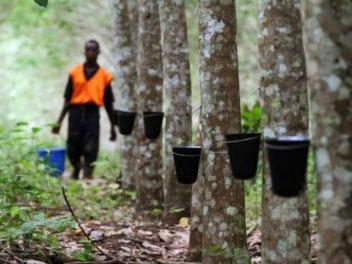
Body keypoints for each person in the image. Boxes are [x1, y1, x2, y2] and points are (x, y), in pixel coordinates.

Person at [52, 39, 116, 179]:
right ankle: (76, 168)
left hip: (92, 112)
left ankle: (88, 174)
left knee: (91, 145)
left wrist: (113, 125)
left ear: (98, 52)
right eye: (88, 49)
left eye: (93, 49)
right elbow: (67, 100)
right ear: (84, 52)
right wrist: (59, 122)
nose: (90, 52)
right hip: (75, 112)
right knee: (73, 143)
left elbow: (109, 103)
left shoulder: (104, 76)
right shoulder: (74, 72)